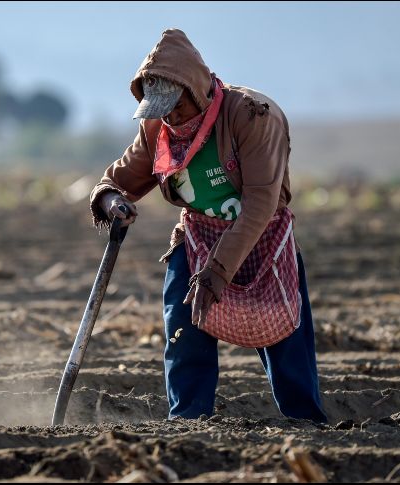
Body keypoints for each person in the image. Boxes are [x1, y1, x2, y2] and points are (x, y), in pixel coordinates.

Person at [89, 28, 327, 423]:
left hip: (260, 235)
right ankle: (187, 423)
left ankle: (307, 424)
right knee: (183, 332)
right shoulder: (157, 129)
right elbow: (120, 178)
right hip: (197, 237)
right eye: (160, 109)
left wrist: (216, 272)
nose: (170, 117)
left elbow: (261, 204)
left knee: (285, 338)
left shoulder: (251, 115)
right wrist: (111, 200)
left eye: (177, 107)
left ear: (197, 92)